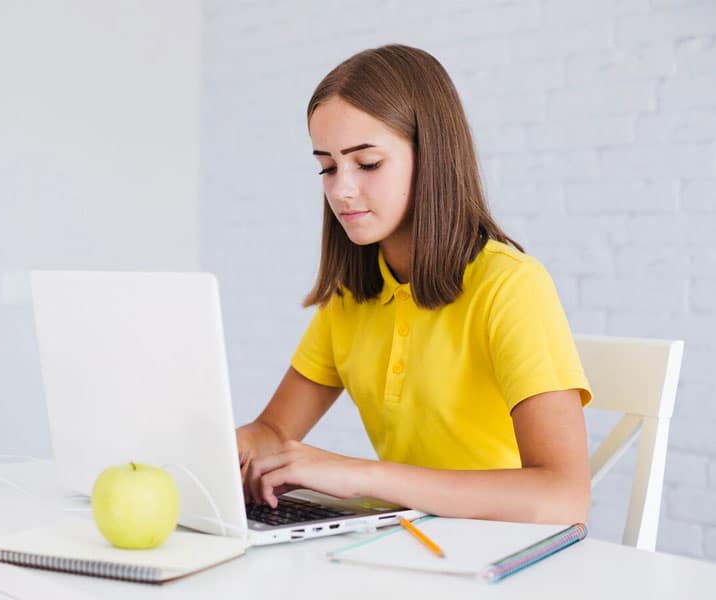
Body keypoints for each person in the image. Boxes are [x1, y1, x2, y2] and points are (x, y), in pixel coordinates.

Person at [236, 44, 592, 524]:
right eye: (327, 166)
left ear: (432, 156)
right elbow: (274, 430)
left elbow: (564, 497)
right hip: (410, 545)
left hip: (501, 556)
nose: (340, 189)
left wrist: (361, 474)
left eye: (368, 163)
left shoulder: (510, 287)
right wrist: (224, 448)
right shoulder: (351, 297)